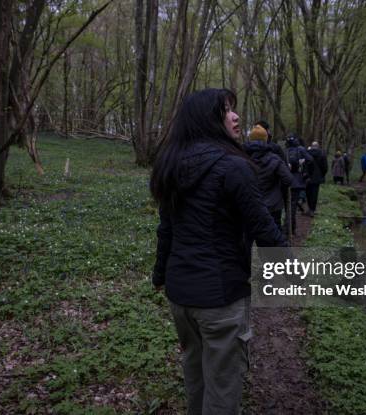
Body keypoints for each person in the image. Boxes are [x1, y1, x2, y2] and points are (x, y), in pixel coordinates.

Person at [150, 88, 287, 415]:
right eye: (226, 110)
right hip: (221, 299)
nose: (236, 116)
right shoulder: (233, 166)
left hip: (180, 297)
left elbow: (166, 229)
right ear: (207, 119)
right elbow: (264, 228)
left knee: (196, 373)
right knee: (223, 387)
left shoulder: (170, 164)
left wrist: (159, 275)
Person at [244, 125, 294, 232]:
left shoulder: (241, 157)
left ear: (250, 139)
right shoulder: (274, 158)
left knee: (248, 238)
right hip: (273, 206)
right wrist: (277, 187)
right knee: (270, 242)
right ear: (266, 139)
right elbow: (288, 180)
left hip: (249, 205)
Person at [286, 134, 313, 231]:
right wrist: (303, 164)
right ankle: (291, 228)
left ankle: (289, 227)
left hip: (287, 180)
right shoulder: (301, 149)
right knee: (293, 204)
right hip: (298, 181)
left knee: (288, 205)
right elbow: (310, 159)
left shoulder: (286, 151)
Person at [306, 141, 327, 216]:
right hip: (317, 177)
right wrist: (322, 174)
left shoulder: (306, 152)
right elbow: (325, 167)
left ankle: (309, 208)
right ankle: (312, 209)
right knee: (315, 193)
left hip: (307, 176)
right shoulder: (322, 154)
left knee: (308, 193)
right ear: (318, 146)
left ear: (311, 146)